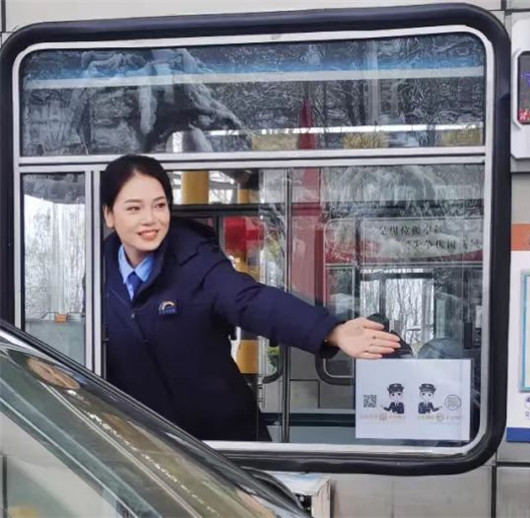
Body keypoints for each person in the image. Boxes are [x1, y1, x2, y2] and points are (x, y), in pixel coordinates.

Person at [101, 154, 400, 441]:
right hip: (145, 445)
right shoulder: (99, 274)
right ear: (109, 214)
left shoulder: (195, 260)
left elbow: (250, 301)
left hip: (224, 443)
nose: (150, 219)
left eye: (160, 205)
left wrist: (331, 331)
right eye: (134, 208)